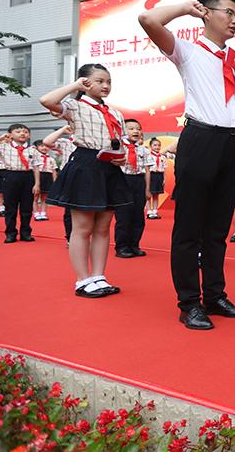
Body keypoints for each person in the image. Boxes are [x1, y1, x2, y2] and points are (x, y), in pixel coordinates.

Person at [138, 0, 235, 330]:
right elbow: (148, 19)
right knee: (189, 227)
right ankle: (189, 302)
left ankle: (215, 296)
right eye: (229, 13)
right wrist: (185, 8)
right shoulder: (188, 51)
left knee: (218, 228)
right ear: (207, 12)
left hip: (233, 144)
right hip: (200, 139)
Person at [40, 64, 131, 297]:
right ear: (85, 82)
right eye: (100, 81)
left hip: (109, 167)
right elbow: (46, 100)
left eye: (108, 81)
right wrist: (75, 86)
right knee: (82, 227)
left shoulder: (116, 113)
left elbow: (120, 142)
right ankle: (82, 280)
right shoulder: (75, 106)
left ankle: (98, 277)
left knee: (103, 227)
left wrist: (121, 157)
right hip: (85, 165)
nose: (106, 86)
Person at [0, 124, 42, 243]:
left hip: (28, 177)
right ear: (10, 134)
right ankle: (10, 233)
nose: (22, 133)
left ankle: (25, 233)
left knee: (27, 207)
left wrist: (37, 184)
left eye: (25, 131)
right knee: (10, 207)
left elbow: (36, 168)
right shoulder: (3, 147)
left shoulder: (33, 150)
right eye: (18, 131)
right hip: (10, 176)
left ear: (29, 135)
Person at [114, 119, 152, 259]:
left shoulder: (144, 149)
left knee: (138, 216)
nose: (135, 131)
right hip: (123, 181)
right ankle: (122, 246)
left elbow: (147, 170)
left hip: (139, 181)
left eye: (138, 128)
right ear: (123, 131)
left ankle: (134, 245)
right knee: (124, 216)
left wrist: (147, 189)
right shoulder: (118, 147)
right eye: (131, 128)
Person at [42, 125, 76, 242]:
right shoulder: (66, 142)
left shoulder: (93, 143)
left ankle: (84, 237)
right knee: (69, 208)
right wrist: (62, 130)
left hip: (90, 176)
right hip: (69, 176)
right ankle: (70, 236)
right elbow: (47, 142)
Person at [33, 140, 57, 221]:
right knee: (35, 196)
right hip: (38, 176)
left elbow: (54, 171)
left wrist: (55, 181)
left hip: (48, 177)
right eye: (41, 146)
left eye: (46, 146)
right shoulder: (34, 157)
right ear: (36, 147)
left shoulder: (51, 159)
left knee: (45, 197)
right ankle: (36, 213)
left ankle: (43, 213)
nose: (44, 148)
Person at [146, 138, 169, 219]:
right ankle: (149, 211)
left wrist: (164, 179)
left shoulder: (162, 157)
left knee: (156, 194)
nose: (157, 147)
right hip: (150, 175)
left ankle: (155, 211)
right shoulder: (148, 156)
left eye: (159, 145)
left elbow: (164, 169)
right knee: (149, 194)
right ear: (150, 146)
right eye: (155, 145)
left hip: (159, 176)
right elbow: (147, 168)